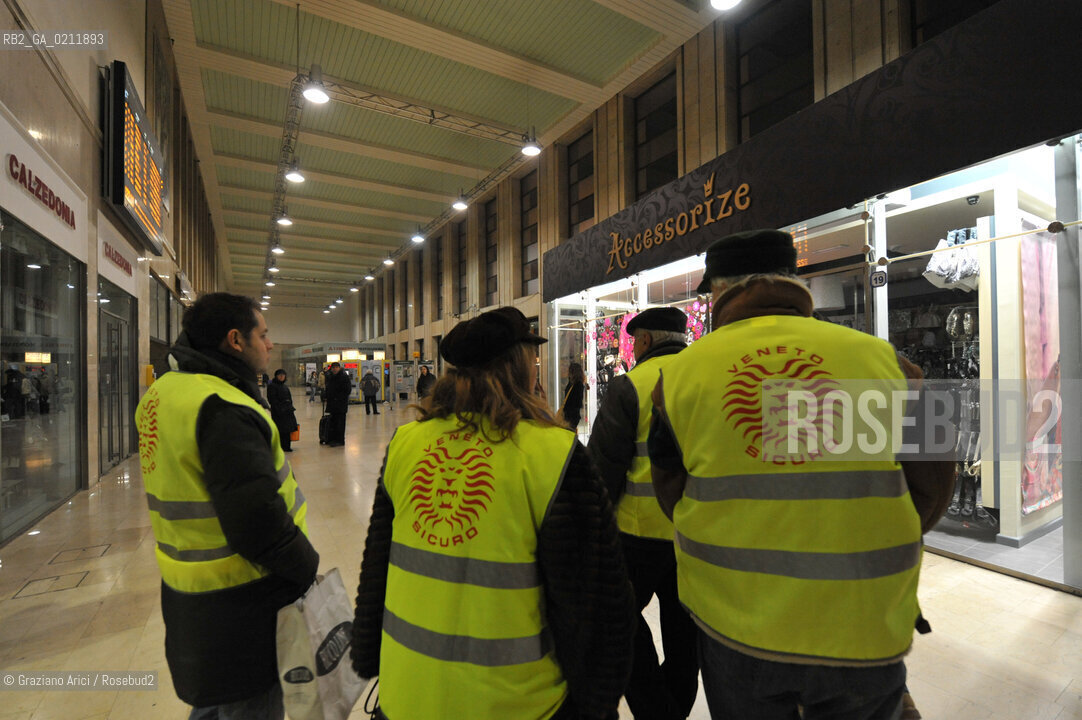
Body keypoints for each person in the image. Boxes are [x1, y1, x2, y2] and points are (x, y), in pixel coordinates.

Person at [647, 229, 955, 720]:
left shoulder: (680, 377)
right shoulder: (889, 363)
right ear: (794, 281)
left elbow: (671, 495)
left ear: (719, 291)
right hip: (863, 621)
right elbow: (936, 485)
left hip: (736, 626)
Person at [350, 306, 635, 720]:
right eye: (532, 357)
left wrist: (367, 656)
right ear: (520, 364)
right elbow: (594, 603)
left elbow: (377, 569)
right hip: (518, 703)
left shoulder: (406, 443)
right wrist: (596, 701)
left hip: (407, 693)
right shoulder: (550, 453)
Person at [134, 292, 318, 719]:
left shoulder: (163, 393)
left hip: (188, 587)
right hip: (243, 597)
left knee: (214, 701)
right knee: (249, 704)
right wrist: (306, 565)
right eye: (264, 334)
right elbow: (257, 523)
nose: (270, 345)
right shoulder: (223, 407)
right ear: (236, 340)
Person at [587, 307, 698, 720]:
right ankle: (675, 707)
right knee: (685, 635)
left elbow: (603, 468)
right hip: (693, 537)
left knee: (621, 626)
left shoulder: (629, 386)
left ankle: (656, 711)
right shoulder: (705, 377)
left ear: (646, 341)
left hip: (636, 536)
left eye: (635, 341)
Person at [267, 368, 298, 452]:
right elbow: (272, 399)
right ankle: (280, 446)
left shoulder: (284, 386)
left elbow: (289, 398)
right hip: (279, 412)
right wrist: (280, 408)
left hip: (287, 411)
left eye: (283, 375)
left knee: (287, 429)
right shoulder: (272, 386)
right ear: (276, 376)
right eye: (280, 375)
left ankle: (287, 446)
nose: (281, 377)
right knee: (280, 429)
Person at [324, 361, 352, 447]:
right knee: (333, 422)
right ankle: (332, 439)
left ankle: (340, 440)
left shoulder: (344, 377)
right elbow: (328, 388)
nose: (335, 369)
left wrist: (338, 396)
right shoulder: (330, 377)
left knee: (340, 423)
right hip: (332, 404)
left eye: (336, 367)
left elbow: (348, 390)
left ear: (339, 368)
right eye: (333, 368)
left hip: (340, 405)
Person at [561, 362, 587, 429]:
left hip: (570, 415)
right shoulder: (577, 384)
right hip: (572, 415)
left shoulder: (574, 384)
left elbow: (576, 402)